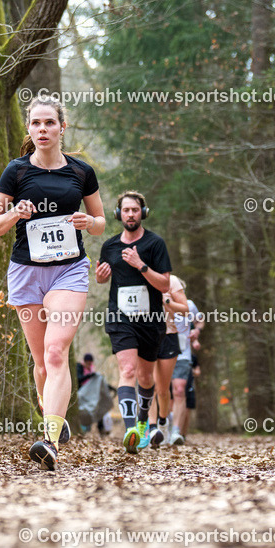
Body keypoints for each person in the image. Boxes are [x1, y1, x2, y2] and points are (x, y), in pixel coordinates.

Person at [0, 96, 106, 470]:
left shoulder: (81, 172)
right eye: (36, 124)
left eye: (49, 123)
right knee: (40, 363)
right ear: (29, 130)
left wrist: (89, 223)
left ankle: (49, 441)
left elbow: (101, 221)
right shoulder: (16, 172)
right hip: (25, 272)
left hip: (68, 271)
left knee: (56, 353)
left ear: (61, 127)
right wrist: (14, 214)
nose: (42, 130)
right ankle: (53, 416)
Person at [94, 191, 172, 454]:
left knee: (146, 377)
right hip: (120, 317)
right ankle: (129, 430)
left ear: (143, 213)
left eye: (134, 210)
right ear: (119, 214)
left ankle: (141, 424)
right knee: (127, 370)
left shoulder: (155, 244)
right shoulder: (110, 247)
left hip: (151, 320)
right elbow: (103, 280)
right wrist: (101, 277)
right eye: (125, 210)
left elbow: (164, 284)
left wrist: (141, 265)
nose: (130, 214)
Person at [148, 275, 189, 447]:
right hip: (145, 335)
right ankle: (151, 429)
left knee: (162, 389)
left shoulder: (171, 281)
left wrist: (167, 302)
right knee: (148, 385)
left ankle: (163, 424)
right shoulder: (138, 276)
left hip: (168, 336)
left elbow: (185, 309)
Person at [170, 302, 204, 444]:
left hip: (183, 356)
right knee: (163, 394)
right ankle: (159, 427)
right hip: (161, 354)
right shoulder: (156, 298)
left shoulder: (188, 305)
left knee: (179, 391)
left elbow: (200, 318)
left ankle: (177, 432)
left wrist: (197, 332)